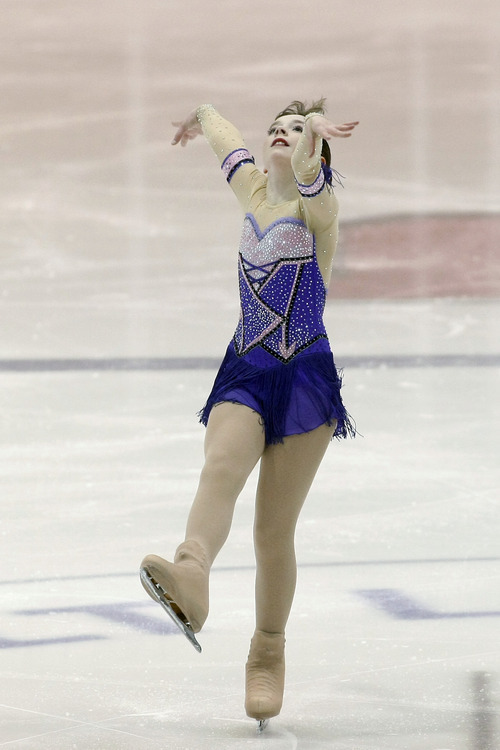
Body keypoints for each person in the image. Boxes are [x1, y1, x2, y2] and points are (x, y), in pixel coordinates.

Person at [140, 100, 358, 729]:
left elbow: (318, 187)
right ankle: (191, 575)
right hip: (247, 365)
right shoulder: (254, 192)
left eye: (296, 131)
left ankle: (267, 650)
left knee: (271, 533)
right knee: (219, 470)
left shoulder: (317, 212)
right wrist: (202, 113)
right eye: (279, 130)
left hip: (305, 379)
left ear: (315, 149)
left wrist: (314, 134)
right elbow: (226, 140)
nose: (282, 136)